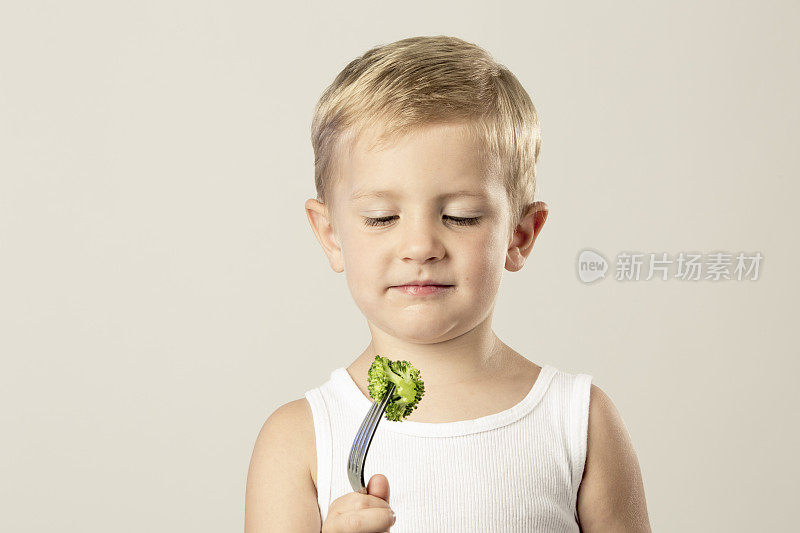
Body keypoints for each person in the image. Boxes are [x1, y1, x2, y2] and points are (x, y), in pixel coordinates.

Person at [245, 35, 651, 532]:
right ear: (331, 235)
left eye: (461, 217)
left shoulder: (579, 422)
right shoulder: (299, 440)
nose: (421, 246)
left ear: (519, 235)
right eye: (381, 217)